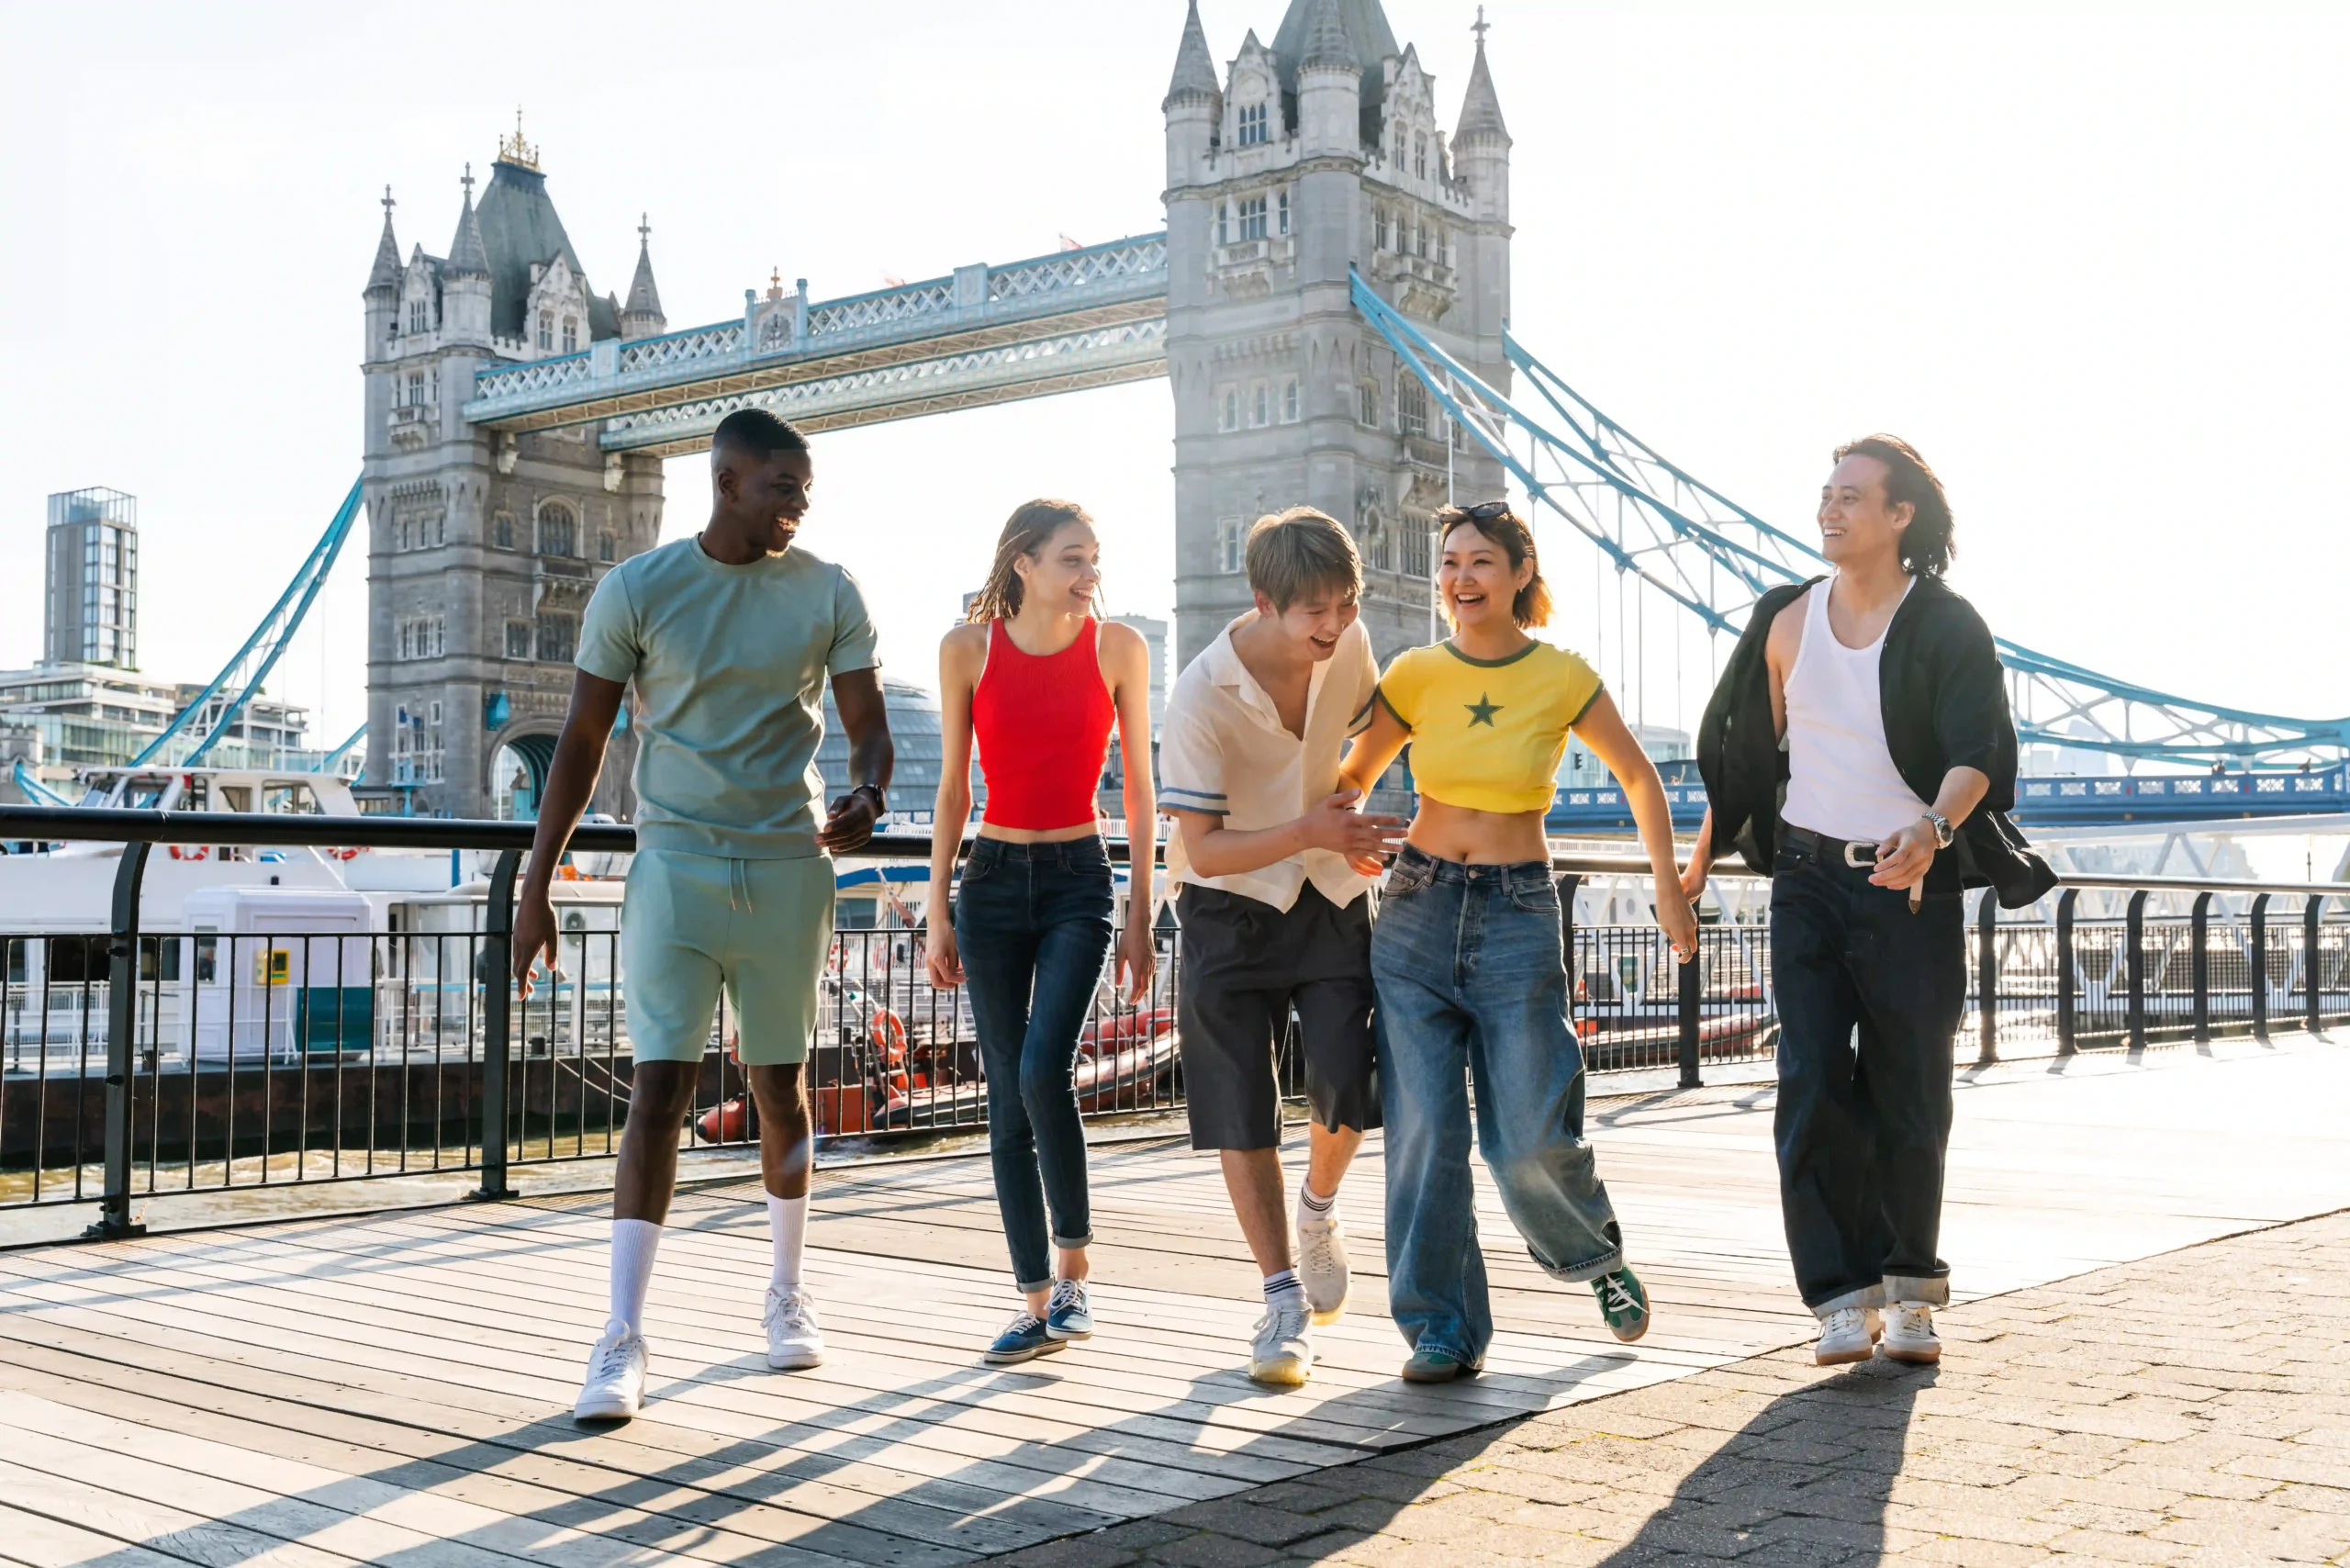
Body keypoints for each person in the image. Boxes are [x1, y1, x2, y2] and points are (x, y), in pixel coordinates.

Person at [516, 408, 895, 1422]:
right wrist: (534, 885)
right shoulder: (636, 589)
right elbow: (584, 742)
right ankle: (621, 1336)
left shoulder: (828, 589)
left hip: (786, 867)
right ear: (726, 482)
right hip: (673, 866)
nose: (798, 504)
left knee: (782, 1090)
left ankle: (785, 1293)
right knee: (657, 1094)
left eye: (802, 490)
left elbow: (867, 726)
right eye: (781, 487)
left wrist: (867, 792)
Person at [1683, 435, 2053, 1369]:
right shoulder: (1782, 621)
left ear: (1900, 518)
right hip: (1806, 881)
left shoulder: (1945, 624)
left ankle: (1910, 1288)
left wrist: (1931, 827)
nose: (1829, 508)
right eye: (1826, 492)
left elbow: (1979, 750)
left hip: (1909, 885)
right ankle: (1840, 1297)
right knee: (1808, 1080)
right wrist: (1687, 874)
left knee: (1910, 1090)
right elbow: (1739, 765)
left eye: (1852, 496)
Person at [1337, 501, 1695, 1383]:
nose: (1461, 578)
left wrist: (1666, 885)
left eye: (1482, 562)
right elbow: (1346, 776)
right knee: (1423, 1133)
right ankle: (1442, 1328)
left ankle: (1597, 1259)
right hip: (1417, 907)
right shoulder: (1416, 674)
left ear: (1519, 575)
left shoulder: (1561, 674)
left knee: (1526, 1134)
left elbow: (1639, 777)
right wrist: (1320, 828)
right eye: (1449, 562)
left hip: (1517, 914)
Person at [1156, 508, 1404, 1387]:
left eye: (1345, 604)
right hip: (1227, 907)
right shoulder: (1197, 695)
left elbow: (1380, 729)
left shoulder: (1352, 639)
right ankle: (1281, 1300)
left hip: (1329, 891)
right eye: (1315, 613)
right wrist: (1308, 826)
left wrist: (1348, 804)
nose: (1334, 626)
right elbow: (1209, 847)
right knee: (1239, 1108)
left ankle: (1319, 1208)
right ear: (1265, 602)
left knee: (1347, 1077)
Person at [925, 499, 1157, 1365]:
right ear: (1022, 562)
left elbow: (1138, 793)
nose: (1089, 572)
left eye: (1094, 556)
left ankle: (1075, 1268)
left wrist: (1141, 911)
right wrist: (939, 909)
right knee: (1003, 1091)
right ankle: (1033, 1300)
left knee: (1040, 1067)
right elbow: (953, 791)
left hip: (1078, 882)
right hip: (989, 882)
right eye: (1072, 558)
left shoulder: (1117, 648)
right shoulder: (966, 649)